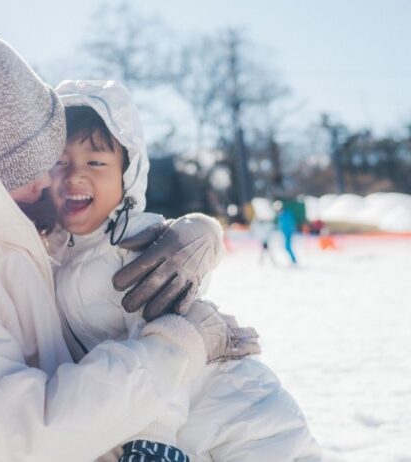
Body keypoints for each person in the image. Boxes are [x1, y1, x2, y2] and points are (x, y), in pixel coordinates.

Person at [0, 18, 258, 462]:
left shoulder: (5, 228)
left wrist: (200, 230)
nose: (50, 179)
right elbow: (24, 434)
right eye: (35, 163)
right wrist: (176, 347)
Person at [48, 79, 322, 461]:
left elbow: (166, 342)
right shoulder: (57, 252)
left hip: (235, 412)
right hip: (193, 426)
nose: (75, 174)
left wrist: (154, 439)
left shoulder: (139, 243)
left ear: (127, 175)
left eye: (96, 162)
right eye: (60, 161)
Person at [275, 200, 298, 265]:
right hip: (285, 234)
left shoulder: (287, 214)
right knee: (286, 247)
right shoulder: (280, 216)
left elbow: (291, 224)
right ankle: (293, 260)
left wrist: (290, 231)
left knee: (287, 247)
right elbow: (280, 225)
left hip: (288, 233)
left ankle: (293, 260)